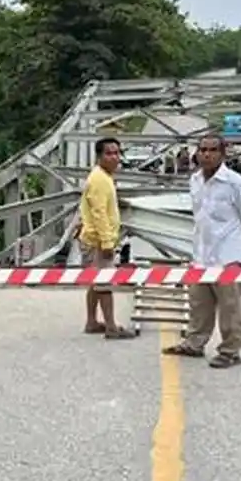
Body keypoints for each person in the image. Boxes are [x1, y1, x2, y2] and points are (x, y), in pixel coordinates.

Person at [163, 134, 241, 369]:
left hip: (229, 256)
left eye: (212, 150)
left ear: (222, 153)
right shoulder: (195, 180)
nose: (206, 154)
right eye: (203, 149)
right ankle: (194, 343)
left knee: (229, 306)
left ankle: (230, 350)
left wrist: (231, 241)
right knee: (199, 302)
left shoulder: (236, 183)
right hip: (202, 255)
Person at [79, 137, 135, 339]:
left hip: (93, 238)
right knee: (104, 283)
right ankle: (111, 326)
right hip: (98, 241)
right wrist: (107, 242)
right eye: (109, 153)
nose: (114, 158)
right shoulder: (100, 180)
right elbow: (99, 212)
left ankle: (92, 321)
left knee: (96, 282)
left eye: (117, 153)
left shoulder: (101, 176)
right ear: (99, 156)